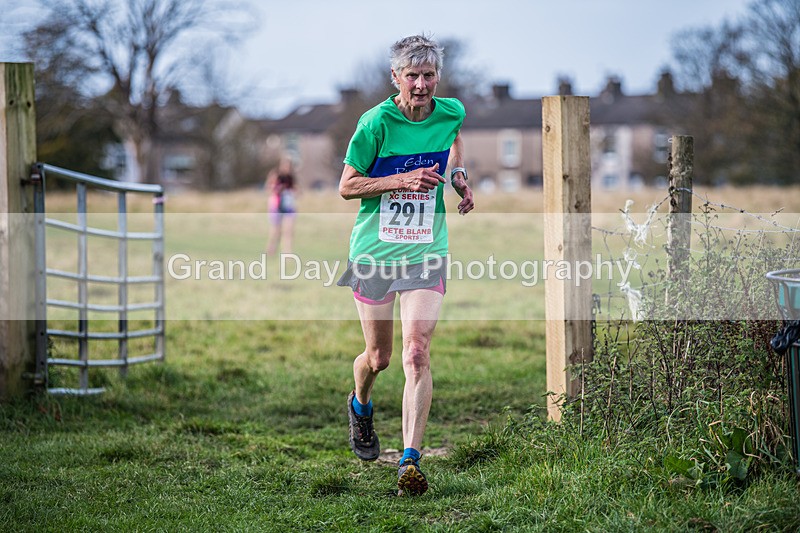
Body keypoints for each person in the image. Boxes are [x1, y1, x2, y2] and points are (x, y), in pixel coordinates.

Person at [337, 34, 474, 496]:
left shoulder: (451, 111)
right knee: (379, 358)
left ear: (438, 77)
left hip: (425, 249)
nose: (420, 85)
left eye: (428, 75)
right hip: (374, 252)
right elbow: (347, 186)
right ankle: (360, 404)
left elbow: (452, 142)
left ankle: (410, 462)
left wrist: (457, 176)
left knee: (417, 351)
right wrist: (402, 178)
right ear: (395, 77)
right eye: (411, 76)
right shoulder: (375, 122)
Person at [266, 157, 297, 255]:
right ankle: (271, 250)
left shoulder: (291, 178)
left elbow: (295, 189)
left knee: (288, 230)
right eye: (285, 165)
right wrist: (279, 189)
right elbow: (269, 188)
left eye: (289, 166)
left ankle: (287, 252)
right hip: (276, 206)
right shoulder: (276, 175)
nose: (287, 168)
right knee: (276, 230)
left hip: (288, 206)